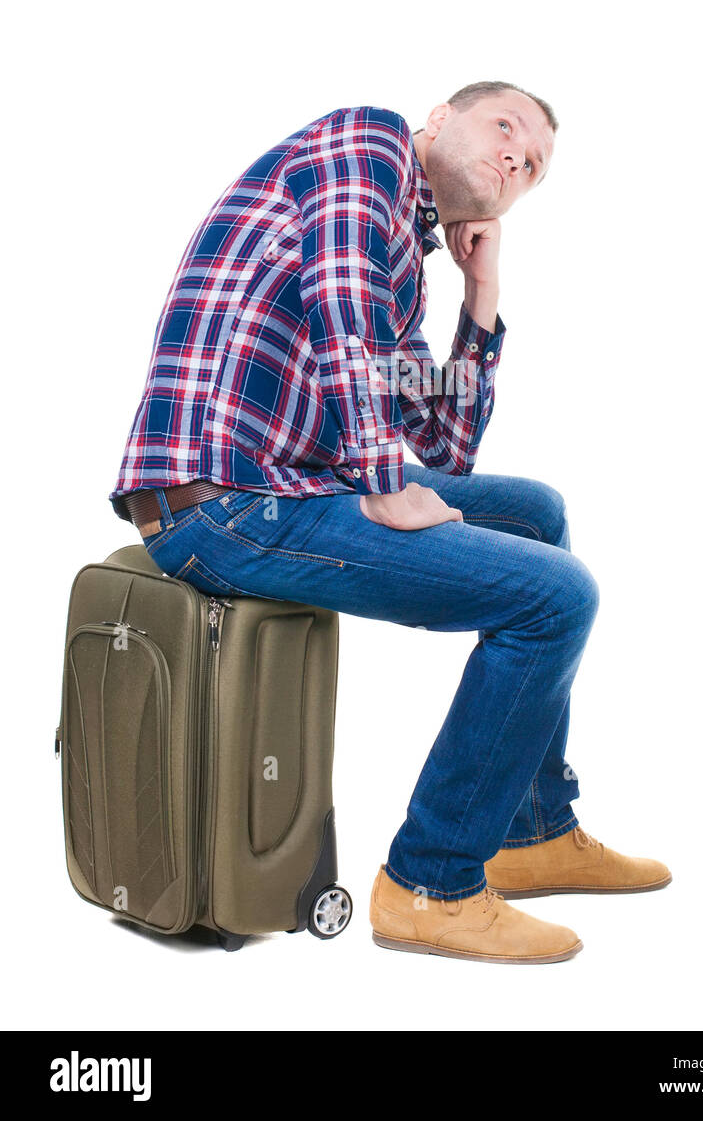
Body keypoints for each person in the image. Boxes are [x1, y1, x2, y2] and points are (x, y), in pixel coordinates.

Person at [110, 80, 671, 965]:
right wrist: (380, 480)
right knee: (558, 597)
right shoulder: (365, 146)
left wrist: (478, 292)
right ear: (440, 120)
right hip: (217, 500)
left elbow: (445, 441)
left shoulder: (402, 265)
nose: (516, 157)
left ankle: (529, 829)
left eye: (532, 165)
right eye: (505, 127)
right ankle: (430, 883)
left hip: (290, 487)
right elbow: (337, 305)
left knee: (538, 517)